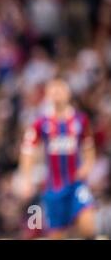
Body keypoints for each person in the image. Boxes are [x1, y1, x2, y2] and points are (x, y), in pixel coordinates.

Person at [19, 78, 97, 239]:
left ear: (68, 93)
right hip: (53, 187)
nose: (57, 94)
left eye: (60, 90)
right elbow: (27, 150)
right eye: (53, 90)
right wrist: (26, 179)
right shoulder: (41, 122)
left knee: (88, 226)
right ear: (47, 95)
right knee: (56, 234)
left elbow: (89, 149)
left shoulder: (80, 120)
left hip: (76, 184)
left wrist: (87, 166)